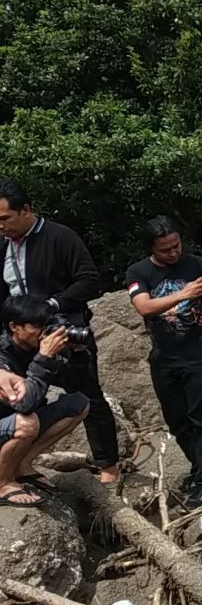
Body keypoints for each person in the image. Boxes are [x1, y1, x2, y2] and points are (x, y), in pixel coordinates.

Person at [0, 180, 119, 485]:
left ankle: (108, 468)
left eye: (4, 218)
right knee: (25, 398)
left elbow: (90, 280)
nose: (1, 226)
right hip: (19, 338)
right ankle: (19, 464)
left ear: (25, 210)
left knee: (88, 396)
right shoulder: (4, 245)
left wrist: (52, 304)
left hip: (63, 330)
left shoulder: (59, 237)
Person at [126, 217, 202, 510]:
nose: (173, 253)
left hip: (200, 354)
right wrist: (184, 294)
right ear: (152, 250)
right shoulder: (138, 272)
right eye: (166, 250)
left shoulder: (198, 265)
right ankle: (199, 471)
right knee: (177, 421)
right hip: (164, 358)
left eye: (176, 246)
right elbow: (144, 306)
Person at [0, 296, 91, 506]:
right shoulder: (3, 355)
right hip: (11, 424)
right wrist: (44, 357)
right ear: (15, 327)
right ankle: (3, 483)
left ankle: (22, 463)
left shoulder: (37, 347)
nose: (44, 331)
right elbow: (24, 404)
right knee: (27, 421)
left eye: (46, 325)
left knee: (79, 403)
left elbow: (75, 384)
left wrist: (77, 354)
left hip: (13, 425)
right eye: (37, 326)